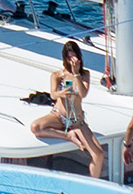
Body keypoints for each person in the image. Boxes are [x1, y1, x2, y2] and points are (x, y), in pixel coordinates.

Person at [28, 40, 101, 176]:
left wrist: (76, 74)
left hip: (76, 120)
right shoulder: (57, 75)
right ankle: (68, 136)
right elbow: (53, 94)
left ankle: (93, 184)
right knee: (36, 127)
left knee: (98, 154)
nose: (71, 60)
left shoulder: (84, 74)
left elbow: (83, 93)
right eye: (69, 58)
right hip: (59, 116)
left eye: (74, 57)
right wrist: (62, 93)